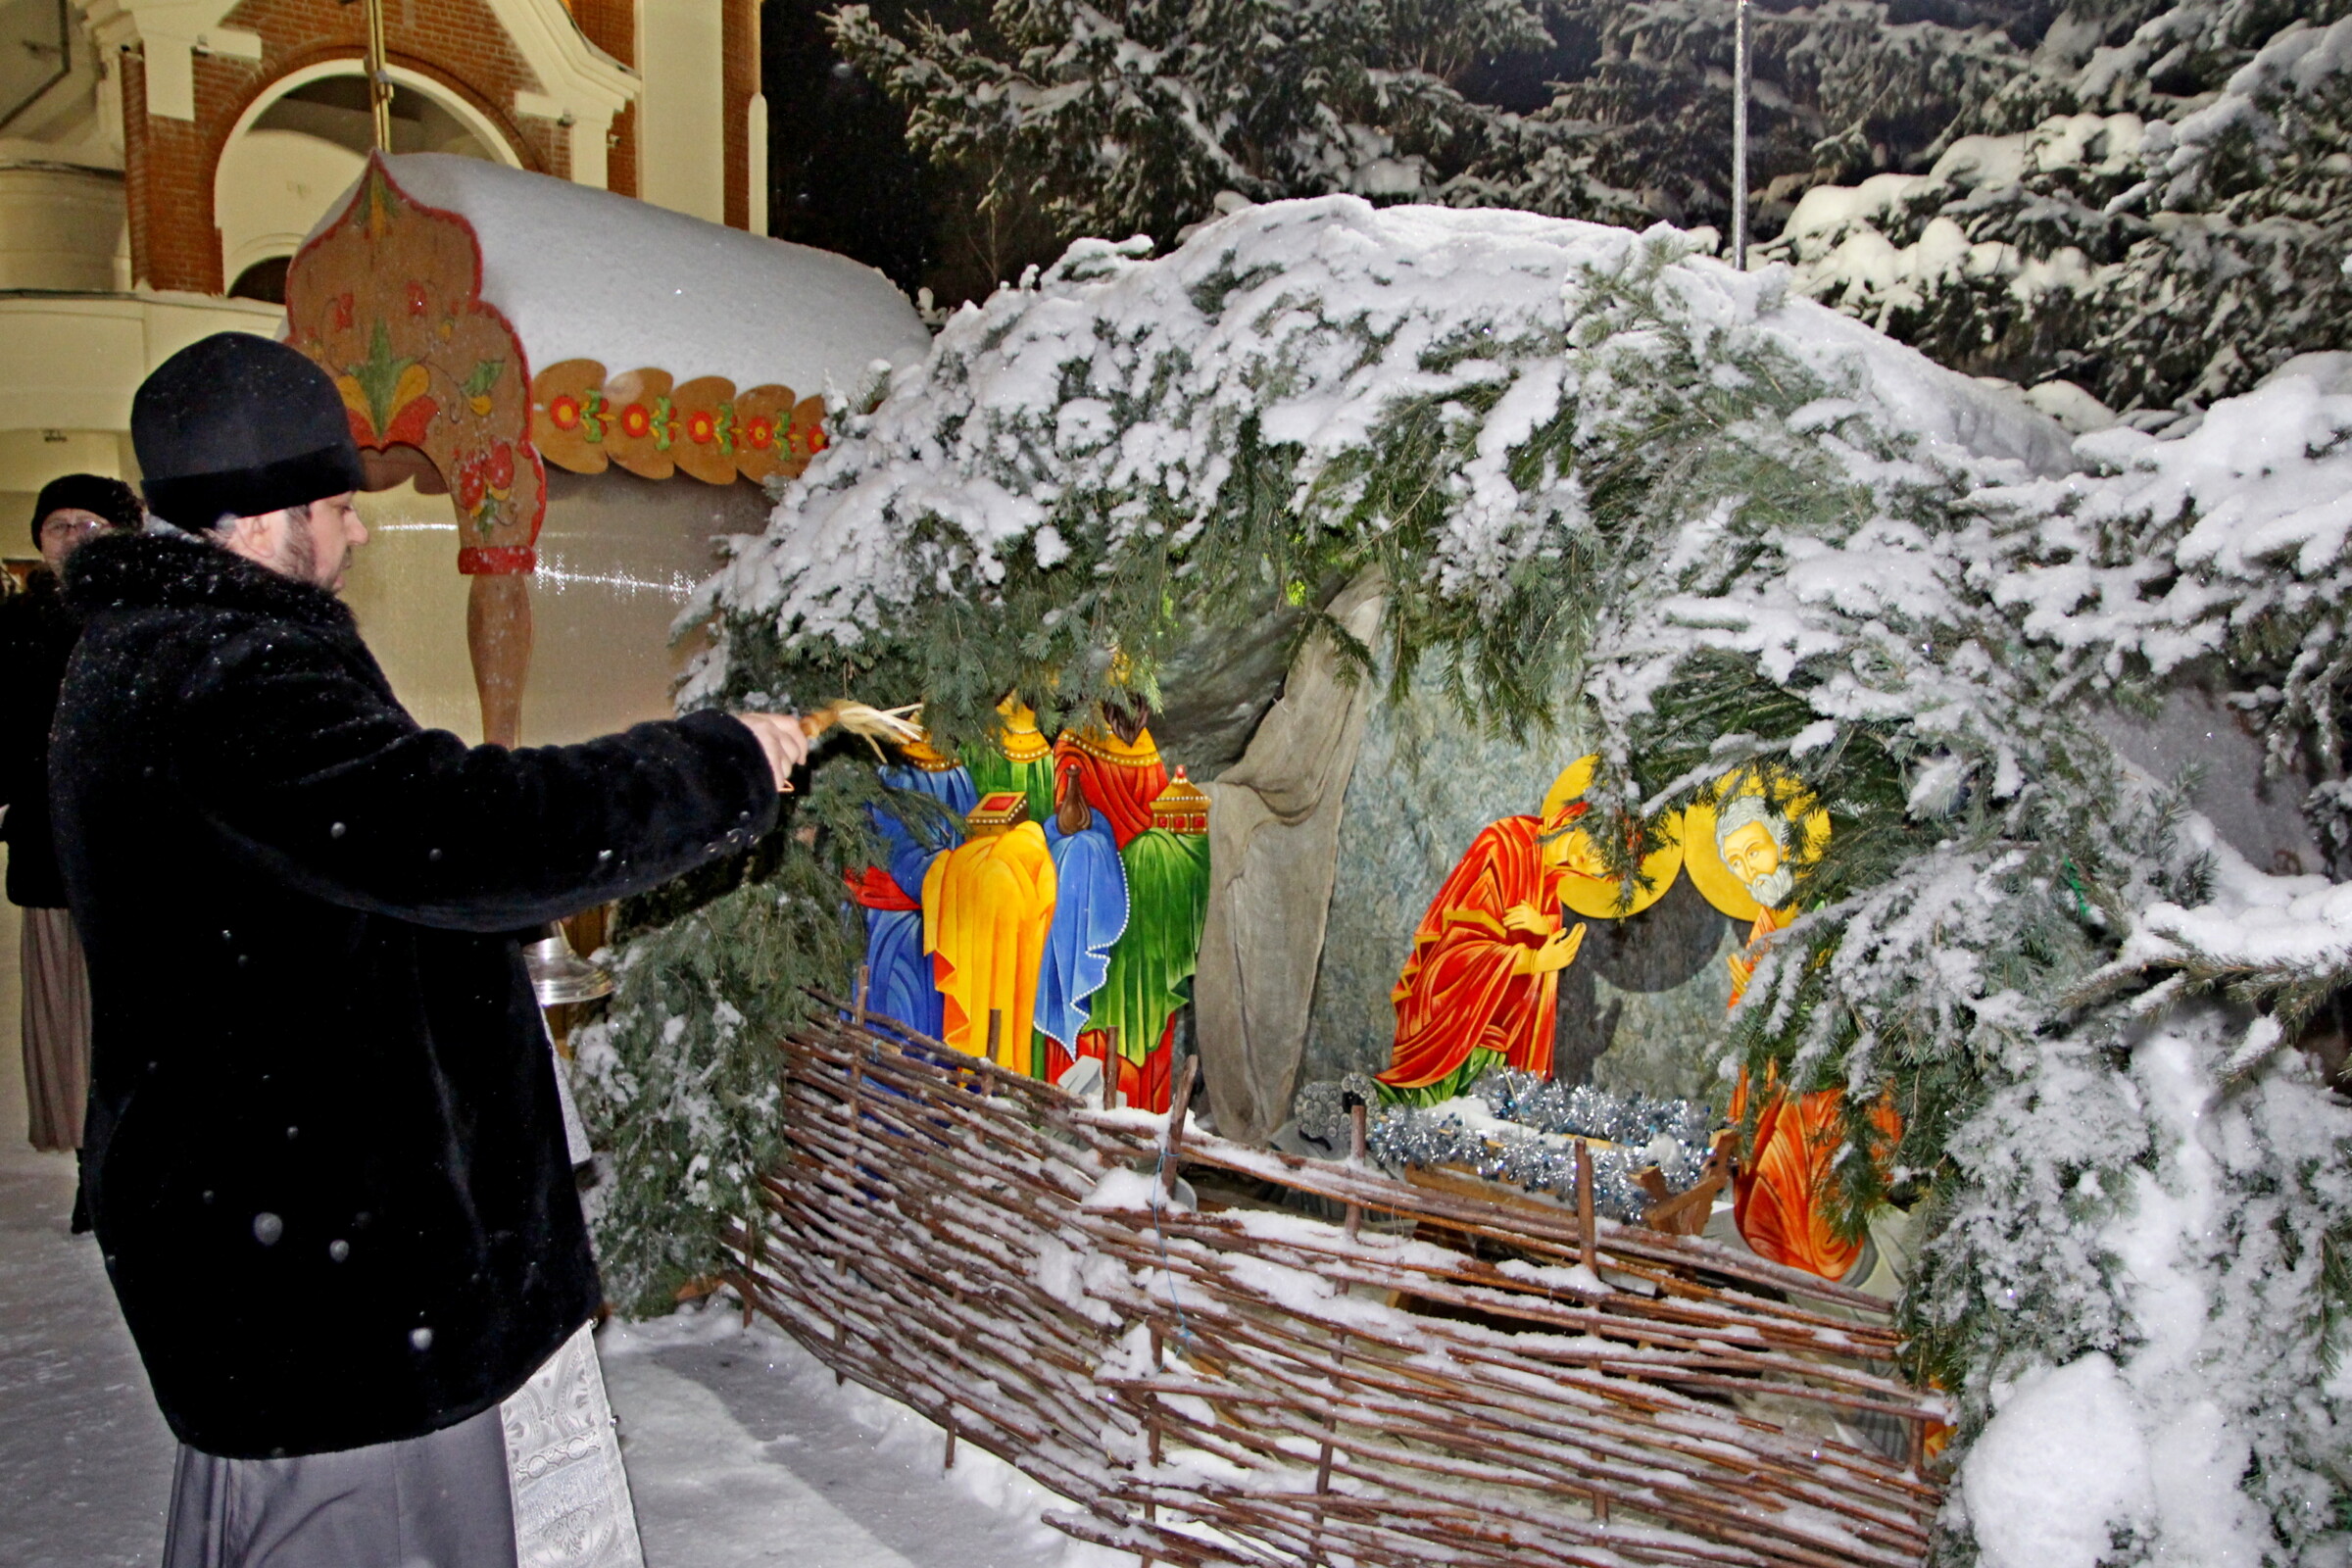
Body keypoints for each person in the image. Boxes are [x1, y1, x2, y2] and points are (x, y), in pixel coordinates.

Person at [50, 331, 811, 1568]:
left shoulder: (153, 649)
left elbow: (355, 869)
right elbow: (457, 833)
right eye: (337, 506)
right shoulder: (224, 673)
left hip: (282, 1244)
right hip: (326, 1275)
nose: (357, 533)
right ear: (259, 520)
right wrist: (712, 765)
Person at [3, 475, 141, 1220]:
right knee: (68, 1023)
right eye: (59, 526)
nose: (75, 538)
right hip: (52, 860)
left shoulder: (148, 616)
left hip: (141, 860)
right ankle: (94, 1163)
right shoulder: (14, 629)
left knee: (141, 1018)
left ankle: (136, 1154)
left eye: (92, 524)